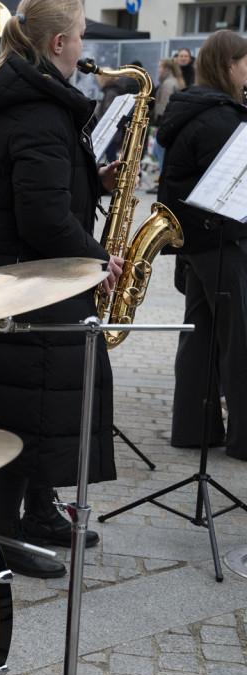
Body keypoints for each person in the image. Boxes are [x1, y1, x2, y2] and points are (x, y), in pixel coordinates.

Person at [0, 0, 124, 577]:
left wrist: (86, 179)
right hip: (31, 286)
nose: (84, 48)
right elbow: (45, 222)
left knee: (30, 402)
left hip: (10, 278)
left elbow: (33, 188)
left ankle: (41, 510)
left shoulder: (9, 93)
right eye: (78, 37)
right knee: (24, 408)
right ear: (56, 46)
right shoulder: (37, 111)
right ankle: (7, 536)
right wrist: (102, 258)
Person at [159, 29, 247, 461]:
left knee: (201, 334)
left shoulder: (195, 110)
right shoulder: (220, 119)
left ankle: (193, 429)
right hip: (222, 239)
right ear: (229, 65)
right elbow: (232, 191)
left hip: (196, 241)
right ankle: (243, 439)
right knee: (239, 339)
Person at [151, 57, 185, 179]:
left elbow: (165, 105)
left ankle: (162, 180)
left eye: (160, 67)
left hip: (164, 122)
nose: (158, 69)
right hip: (167, 121)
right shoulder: (173, 81)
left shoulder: (168, 83)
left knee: (160, 153)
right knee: (158, 152)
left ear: (166, 69)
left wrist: (160, 123)